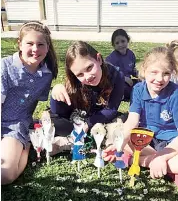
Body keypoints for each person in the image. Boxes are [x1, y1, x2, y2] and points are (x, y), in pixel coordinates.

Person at [103, 46, 178, 186]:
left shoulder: (175, 93)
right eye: (154, 72)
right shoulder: (138, 89)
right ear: (143, 70)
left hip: (171, 143)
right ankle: (160, 165)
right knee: (118, 133)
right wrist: (119, 144)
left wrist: (162, 156)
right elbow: (132, 122)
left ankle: (135, 161)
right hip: (144, 141)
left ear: (172, 73)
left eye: (166, 73)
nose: (159, 79)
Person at [1, 21, 58, 185]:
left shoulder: (46, 75)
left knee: (5, 176)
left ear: (47, 48)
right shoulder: (5, 66)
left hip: (15, 125)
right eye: (30, 43)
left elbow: (32, 104)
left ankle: (26, 146)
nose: (35, 49)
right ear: (19, 44)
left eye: (41, 44)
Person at [50, 41, 125, 152]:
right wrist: (55, 93)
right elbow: (59, 112)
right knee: (53, 122)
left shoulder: (116, 75)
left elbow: (111, 110)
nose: (87, 76)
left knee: (121, 123)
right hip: (76, 119)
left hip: (101, 118)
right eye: (80, 74)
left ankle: (73, 140)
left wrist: (87, 124)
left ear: (98, 59)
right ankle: (79, 138)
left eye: (89, 68)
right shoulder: (74, 83)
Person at [105, 29, 138, 100]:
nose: (120, 45)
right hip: (116, 83)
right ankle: (120, 95)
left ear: (127, 40)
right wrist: (124, 78)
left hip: (129, 82)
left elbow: (132, 70)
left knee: (142, 84)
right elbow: (109, 76)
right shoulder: (111, 59)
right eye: (117, 43)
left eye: (123, 41)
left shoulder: (131, 54)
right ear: (113, 45)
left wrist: (141, 75)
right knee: (125, 89)